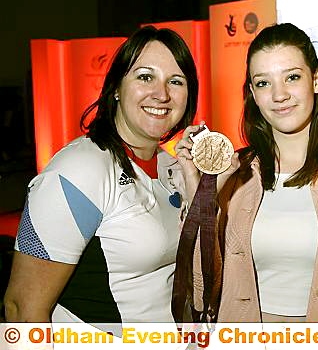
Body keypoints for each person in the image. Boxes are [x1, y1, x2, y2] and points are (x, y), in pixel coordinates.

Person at [173, 23, 318, 349]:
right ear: (252, 93)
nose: (279, 95)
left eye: (292, 77)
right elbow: (201, 289)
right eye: (264, 83)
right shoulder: (234, 175)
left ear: (316, 79)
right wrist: (199, 195)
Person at [3, 25, 198, 325]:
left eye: (176, 81)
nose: (162, 94)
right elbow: (20, 308)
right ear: (116, 88)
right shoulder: (77, 171)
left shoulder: (172, 167)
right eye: (145, 77)